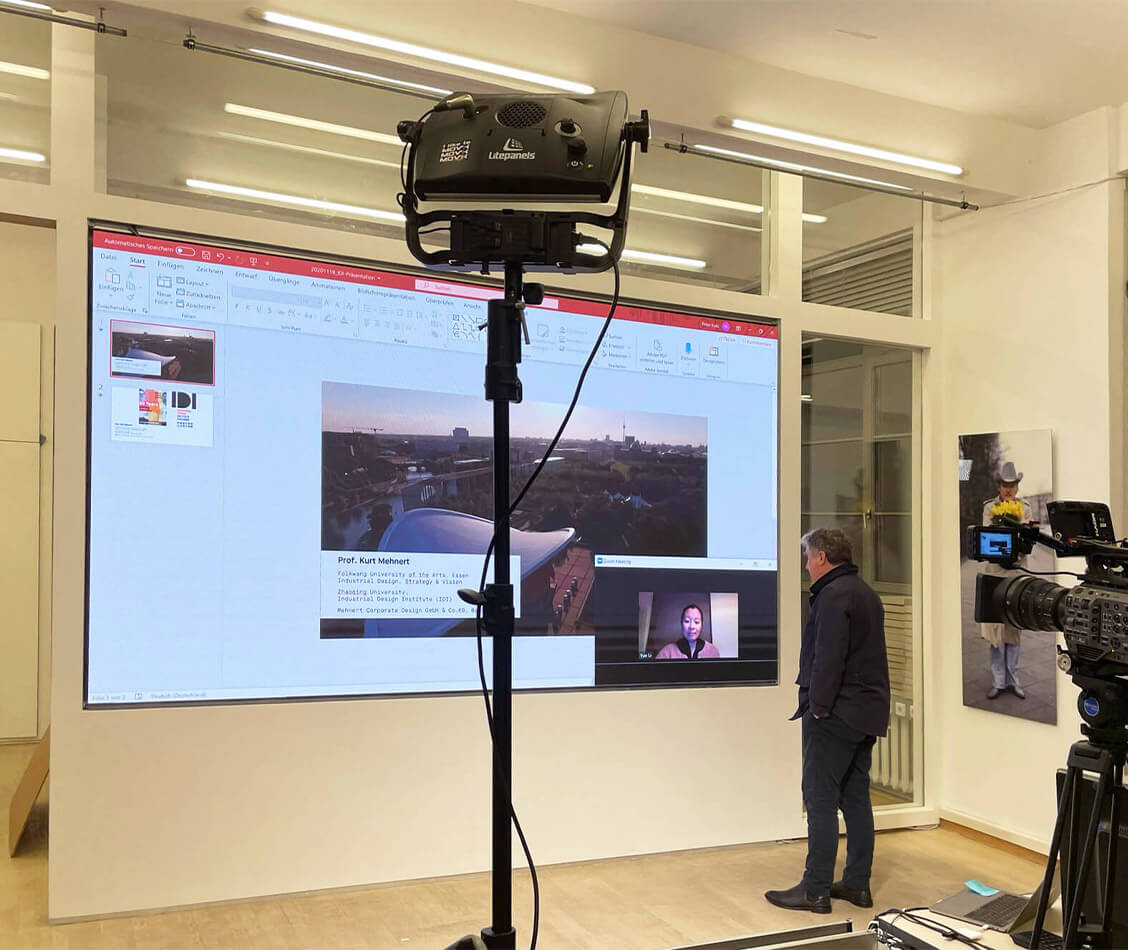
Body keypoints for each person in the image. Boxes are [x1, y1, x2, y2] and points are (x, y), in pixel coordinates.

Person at [765, 528, 890, 914]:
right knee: (855, 798)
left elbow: (828, 658)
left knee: (819, 798)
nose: (805, 565)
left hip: (836, 712)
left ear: (821, 557)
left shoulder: (833, 596)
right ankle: (856, 884)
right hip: (866, 713)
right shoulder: (864, 592)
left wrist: (818, 707)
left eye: (807, 557)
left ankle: (814, 890)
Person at [980, 460, 1033, 700]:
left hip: (1016, 573)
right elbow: (987, 540)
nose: (1008, 489)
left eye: (1012, 485)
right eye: (1004, 485)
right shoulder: (990, 508)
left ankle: (1013, 679)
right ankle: (998, 681)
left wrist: (1014, 540)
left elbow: (1028, 543)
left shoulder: (1026, 508)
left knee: (1014, 629)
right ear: (999, 486)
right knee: (994, 631)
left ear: (1017, 487)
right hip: (994, 574)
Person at [655, 603, 720, 658]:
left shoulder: (712, 651)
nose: (691, 626)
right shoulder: (667, 652)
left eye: (696, 622)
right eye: (687, 621)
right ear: (681, 623)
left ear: (702, 625)